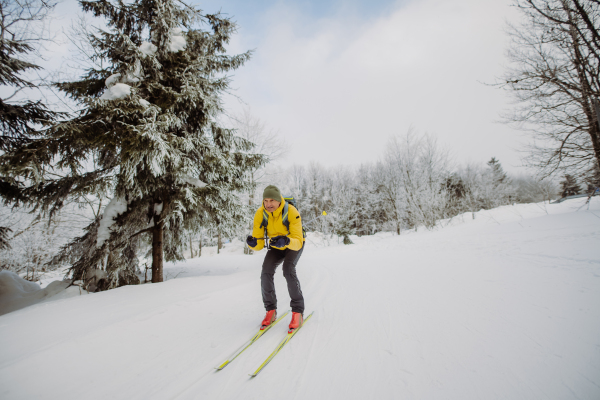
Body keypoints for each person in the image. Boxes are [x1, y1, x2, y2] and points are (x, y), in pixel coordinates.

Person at [246, 185, 305, 332]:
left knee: (288, 269)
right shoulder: (260, 213)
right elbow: (259, 242)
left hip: (293, 244)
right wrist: (253, 244)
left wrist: (286, 241)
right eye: (265, 200)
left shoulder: (292, 212)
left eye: (272, 200)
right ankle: (271, 310)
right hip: (276, 246)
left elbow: (298, 240)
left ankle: (298, 311)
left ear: (279, 201)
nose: (268, 204)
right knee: (266, 272)